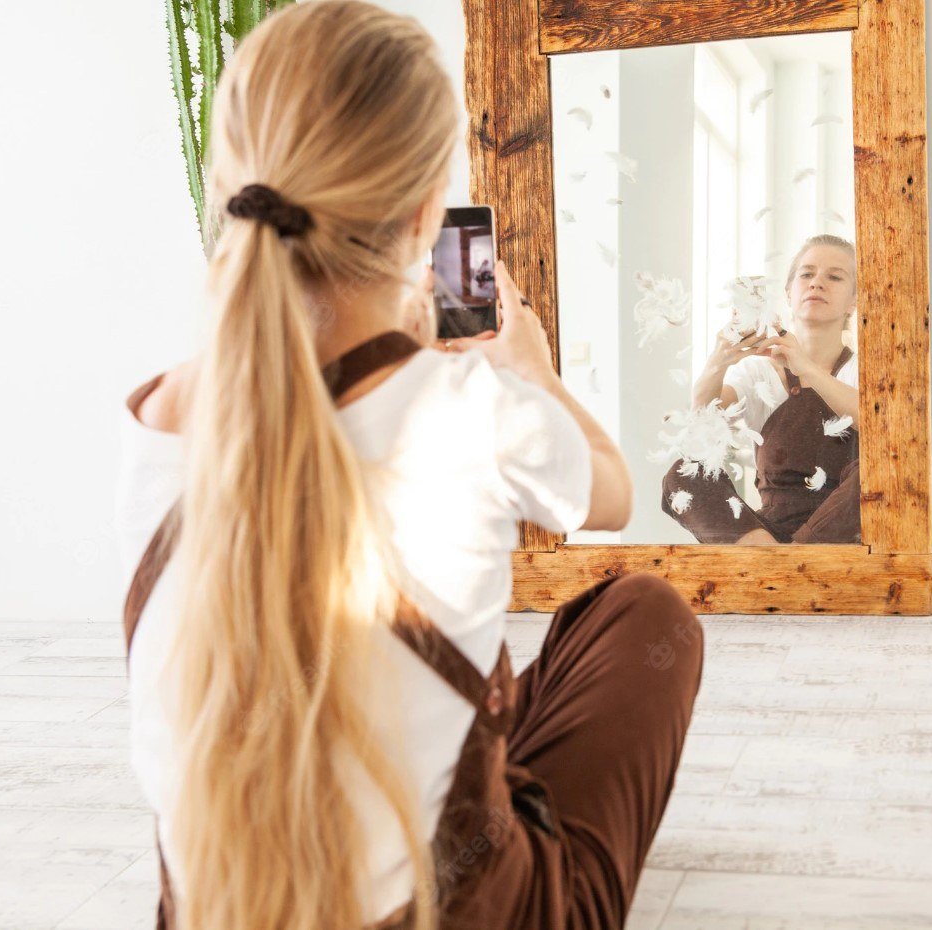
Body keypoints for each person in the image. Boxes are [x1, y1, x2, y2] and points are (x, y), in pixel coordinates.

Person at [115, 4, 703, 929]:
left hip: (211, 909)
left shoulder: (157, 419)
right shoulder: (473, 412)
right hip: (459, 909)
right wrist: (530, 374)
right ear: (429, 214)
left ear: (231, 184)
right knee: (644, 614)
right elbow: (615, 489)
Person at [662, 235, 862, 544]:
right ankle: (774, 562)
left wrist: (806, 368)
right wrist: (718, 362)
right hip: (765, 538)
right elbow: (705, 424)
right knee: (685, 474)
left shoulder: (866, 370)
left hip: (836, 542)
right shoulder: (759, 371)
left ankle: (786, 565)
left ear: (854, 300)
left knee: (879, 467)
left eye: (834, 276)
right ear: (788, 292)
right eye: (806, 274)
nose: (817, 283)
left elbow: (881, 426)